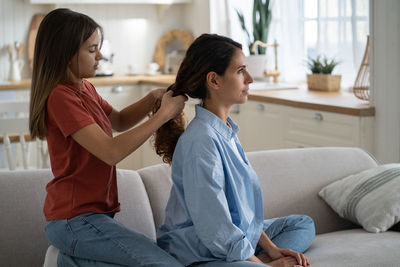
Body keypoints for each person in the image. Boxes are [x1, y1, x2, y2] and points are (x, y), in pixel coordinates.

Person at [29, 8, 187, 266]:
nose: (100, 56)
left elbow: (119, 120)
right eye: (92, 50)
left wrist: (153, 98)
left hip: (94, 218)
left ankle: (65, 260)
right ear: (66, 53)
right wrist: (162, 115)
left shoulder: (85, 88)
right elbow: (111, 151)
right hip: (74, 220)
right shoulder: (61, 97)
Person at [153, 34, 316, 267]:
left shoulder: (225, 131)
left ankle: (251, 259)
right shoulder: (201, 142)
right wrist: (267, 265)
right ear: (214, 80)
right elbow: (214, 226)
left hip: (227, 236)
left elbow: (242, 211)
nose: (250, 79)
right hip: (198, 252)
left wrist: (273, 249)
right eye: (240, 71)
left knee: (302, 224)